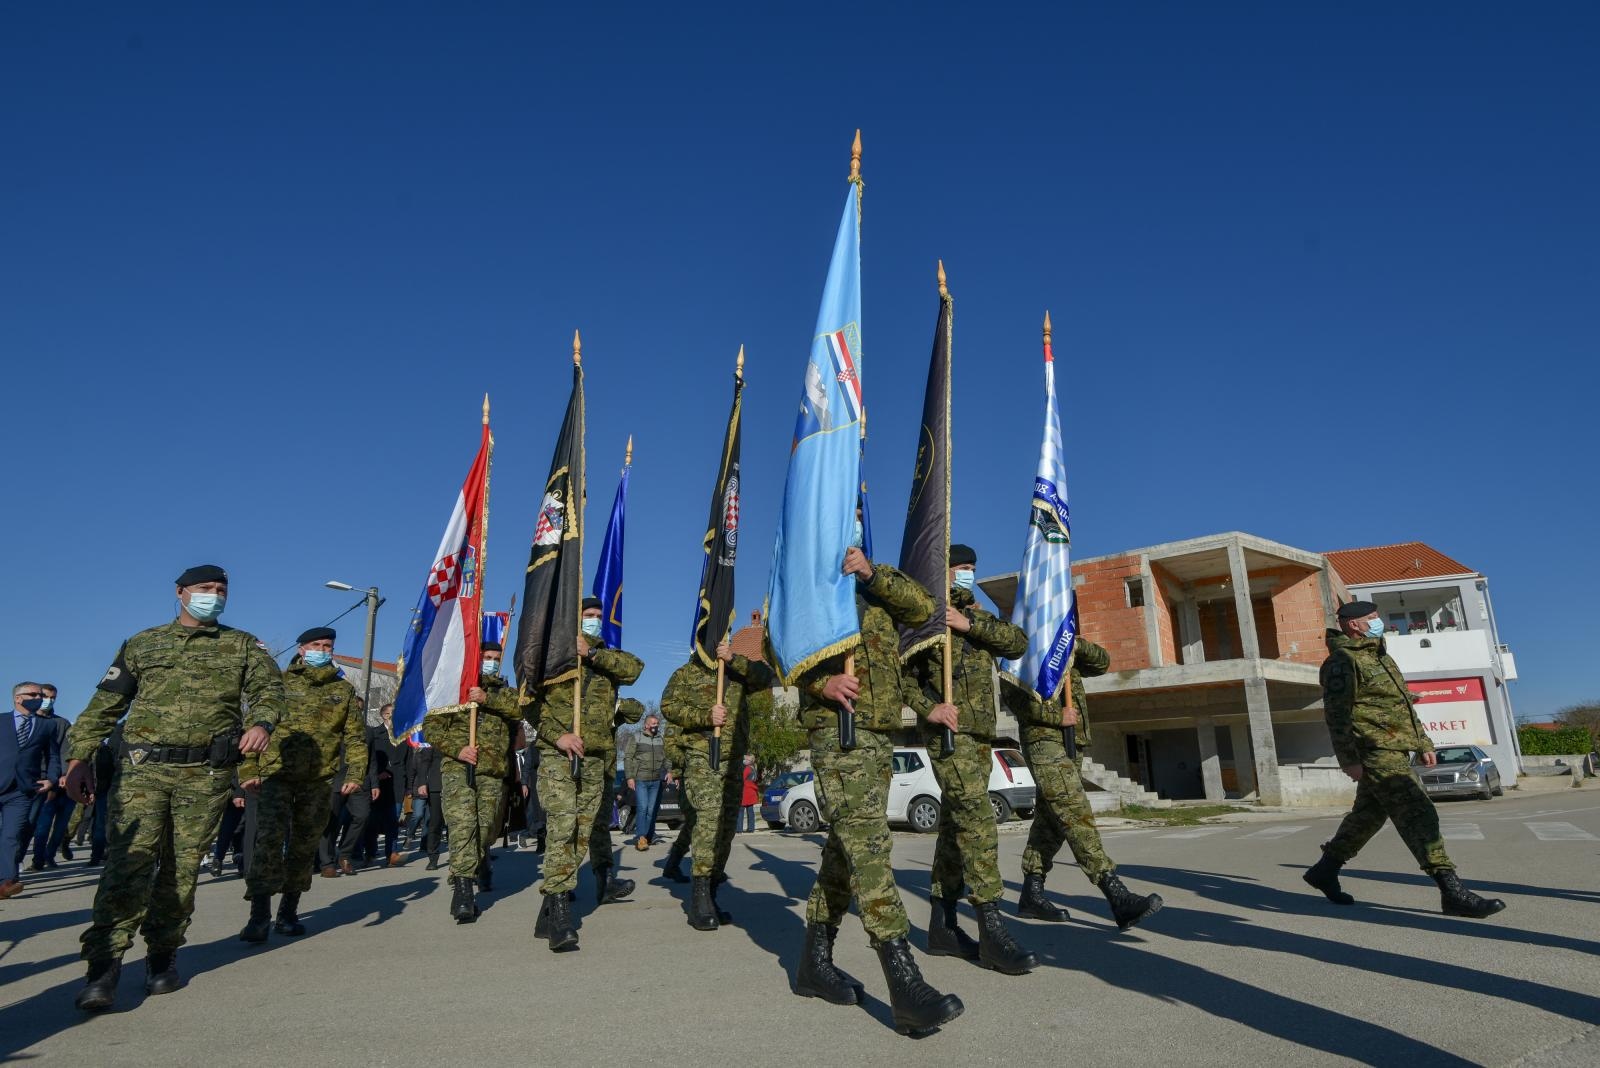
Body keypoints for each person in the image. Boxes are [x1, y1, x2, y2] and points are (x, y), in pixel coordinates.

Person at [61, 564, 284, 1011]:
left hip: (205, 773)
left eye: (221, 590)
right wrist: (78, 758)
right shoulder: (143, 643)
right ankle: (103, 968)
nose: (214, 596)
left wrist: (261, 722)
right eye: (205, 588)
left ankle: (162, 957)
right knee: (127, 866)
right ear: (181, 593)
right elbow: (106, 703)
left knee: (181, 870)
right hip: (143, 770)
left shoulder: (243, 645)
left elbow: (270, 691)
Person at [791, 526, 963, 1036]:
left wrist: (869, 574)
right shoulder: (810, 587)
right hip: (837, 734)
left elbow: (922, 608)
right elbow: (782, 650)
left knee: (843, 855)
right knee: (868, 847)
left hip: (879, 737)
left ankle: (812, 965)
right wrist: (821, 682)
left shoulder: (877, 591)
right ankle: (903, 981)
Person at [1302, 600, 1506, 918]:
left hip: (1395, 748)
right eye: (1372, 618)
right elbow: (1336, 715)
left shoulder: (1380, 656)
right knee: (1418, 813)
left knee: (1367, 817)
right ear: (1353, 624)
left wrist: (1423, 742)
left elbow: (1402, 706)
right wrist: (1348, 760)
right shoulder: (1342, 661)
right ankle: (1451, 892)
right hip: (1375, 751)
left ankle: (1325, 870)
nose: (1379, 621)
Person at [903, 543, 1036, 975]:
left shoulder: (974, 615)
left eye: (973, 568)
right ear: (943, 571)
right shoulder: (923, 616)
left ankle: (940, 925)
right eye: (962, 568)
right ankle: (991, 926)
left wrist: (968, 622)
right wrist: (930, 709)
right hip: (947, 733)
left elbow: (1016, 642)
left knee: (956, 826)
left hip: (980, 735)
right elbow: (899, 677)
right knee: (978, 820)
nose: (969, 574)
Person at [1001, 639, 1163, 928]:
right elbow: (1013, 697)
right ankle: (1115, 893)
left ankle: (1031, 893)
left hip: (1073, 740)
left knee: (1051, 821)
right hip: (1043, 741)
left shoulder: (1063, 637)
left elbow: (1102, 663)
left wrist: (1075, 644)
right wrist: (1055, 716)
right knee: (1075, 813)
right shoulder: (1023, 642)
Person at [529, 596, 643, 952]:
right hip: (559, 753)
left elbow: (635, 669)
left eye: (596, 616)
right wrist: (558, 735)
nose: (593, 621)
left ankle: (548, 908)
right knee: (563, 827)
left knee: (581, 834)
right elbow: (528, 703)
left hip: (596, 758)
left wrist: (591, 654)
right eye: (586, 616)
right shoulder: (550, 655)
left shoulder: (606, 656)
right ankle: (561, 917)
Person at [239, 626, 366, 943]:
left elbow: (355, 738)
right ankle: (258, 916)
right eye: (316, 645)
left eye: (327, 646)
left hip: (318, 780)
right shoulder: (279, 684)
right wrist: (248, 770)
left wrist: (355, 775)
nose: (323, 650)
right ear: (301, 649)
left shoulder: (344, 691)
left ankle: (288, 912)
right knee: (267, 844)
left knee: (303, 847)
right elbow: (253, 727)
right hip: (275, 776)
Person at [661, 641, 773, 930]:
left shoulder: (735, 671)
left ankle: (711, 893)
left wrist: (734, 659)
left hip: (734, 758)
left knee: (726, 829)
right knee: (708, 824)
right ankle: (699, 899)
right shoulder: (685, 674)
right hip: (702, 755)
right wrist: (704, 717)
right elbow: (669, 707)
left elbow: (765, 677)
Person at [427, 640, 522, 921]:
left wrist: (486, 699)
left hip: (493, 772)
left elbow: (518, 711)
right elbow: (432, 727)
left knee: (486, 829)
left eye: (495, 657)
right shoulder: (454, 689)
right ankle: (463, 892)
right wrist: (459, 748)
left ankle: (481, 863)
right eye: (486, 657)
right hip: (459, 769)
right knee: (462, 827)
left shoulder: (505, 692)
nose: (491, 661)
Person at [2, 682, 62, 899]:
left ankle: (6, 881)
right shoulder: (1, 721)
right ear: (18, 698)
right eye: (33, 694)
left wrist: (52, 779)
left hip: (23, 790)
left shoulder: (47, 726)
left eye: (40, 695)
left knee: (12, 834)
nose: (39, 698)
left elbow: (53, 756)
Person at [26, 684, 73, 870]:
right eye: (45, 696)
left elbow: (66, 751)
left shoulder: (61, 723)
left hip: (61, 781)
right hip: (39, 781)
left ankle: (50, 855)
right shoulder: (28, 721)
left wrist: (64, 774)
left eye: (52, 697)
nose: (49, 700)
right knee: (42, 825)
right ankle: (38, 860)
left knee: (60, 826)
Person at [364, 703, 404, 867]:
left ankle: (392, 853)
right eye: (391, 713)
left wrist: (409, 785)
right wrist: (377, 774)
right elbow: (370, 758)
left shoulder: (402, 734)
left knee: (392, 822)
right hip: (379, 784)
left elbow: (407, 761)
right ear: (384, 715)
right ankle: (371, 853)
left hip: (397, 783)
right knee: (373, 822)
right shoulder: (375, 733)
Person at [624, 713, 669, 850]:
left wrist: (669, 771)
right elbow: (628, 757)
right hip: (641, 779)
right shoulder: (636, 737)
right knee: (642, 808)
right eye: (653, 723)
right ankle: (640, 837)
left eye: (657, 723)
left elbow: (667, 757)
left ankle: (649, 835)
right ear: (646, 725)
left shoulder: (661, 739)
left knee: (651, 810)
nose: (656, 726)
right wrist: (630, 777)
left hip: (656, 780)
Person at [405, 735, 445, 868]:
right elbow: (425, 760)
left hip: (458, 782)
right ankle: (433, 856)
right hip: (436, 784)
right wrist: (422, 782)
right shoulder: (435, 734)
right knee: (435, 821)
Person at [739, 754, 760, 833]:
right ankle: (751, 828)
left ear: (750, 761)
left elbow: (742, 779)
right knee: (750, 811)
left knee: (741, 811)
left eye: (747, 759)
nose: (745, 760)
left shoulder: (747, 769)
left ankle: (739, 829)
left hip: (745, 792)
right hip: (752, 792)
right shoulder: (753, 768)